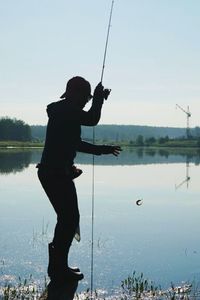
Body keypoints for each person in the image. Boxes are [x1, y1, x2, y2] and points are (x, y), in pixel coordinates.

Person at [37, 76, 121, 284]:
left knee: (67, 219)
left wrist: (104, 150)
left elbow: (76, 143)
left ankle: (58, 267)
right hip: (55, 174)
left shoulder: (65, 112)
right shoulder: (66, 110)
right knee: (69, 219)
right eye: (85, 96)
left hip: (56, 173)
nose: (86, 101)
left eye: (88, 97)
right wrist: (99, 100)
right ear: (73, 94)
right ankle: (58, 269)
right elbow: (92, 119)